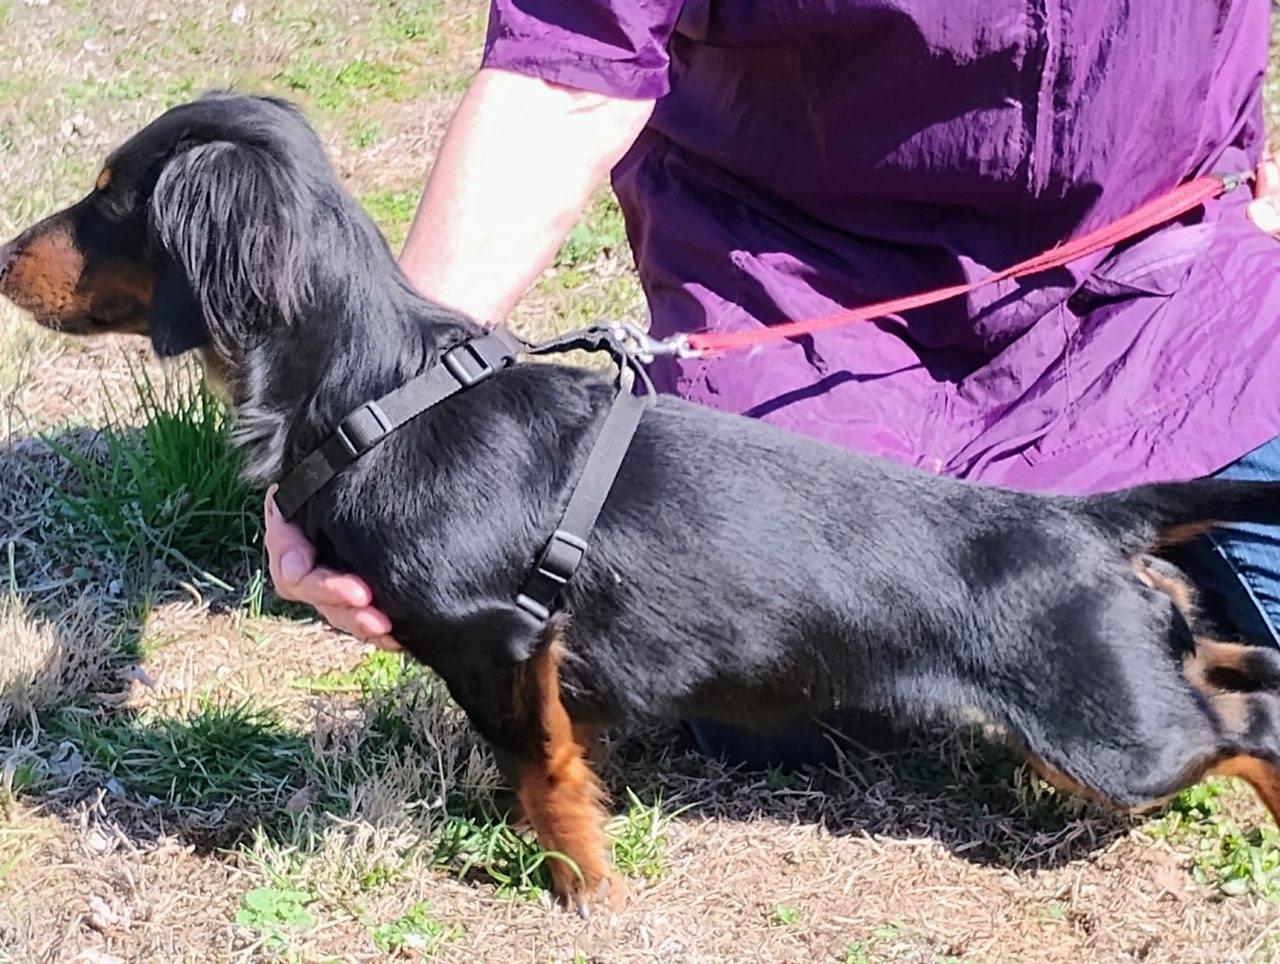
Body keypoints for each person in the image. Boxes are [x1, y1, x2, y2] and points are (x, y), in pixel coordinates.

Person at [266, 1, 1280, 763]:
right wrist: (373, 422)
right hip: (811, 304)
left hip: (1167, 294)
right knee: (779, 703)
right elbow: (566, 78)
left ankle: (1140, 617)